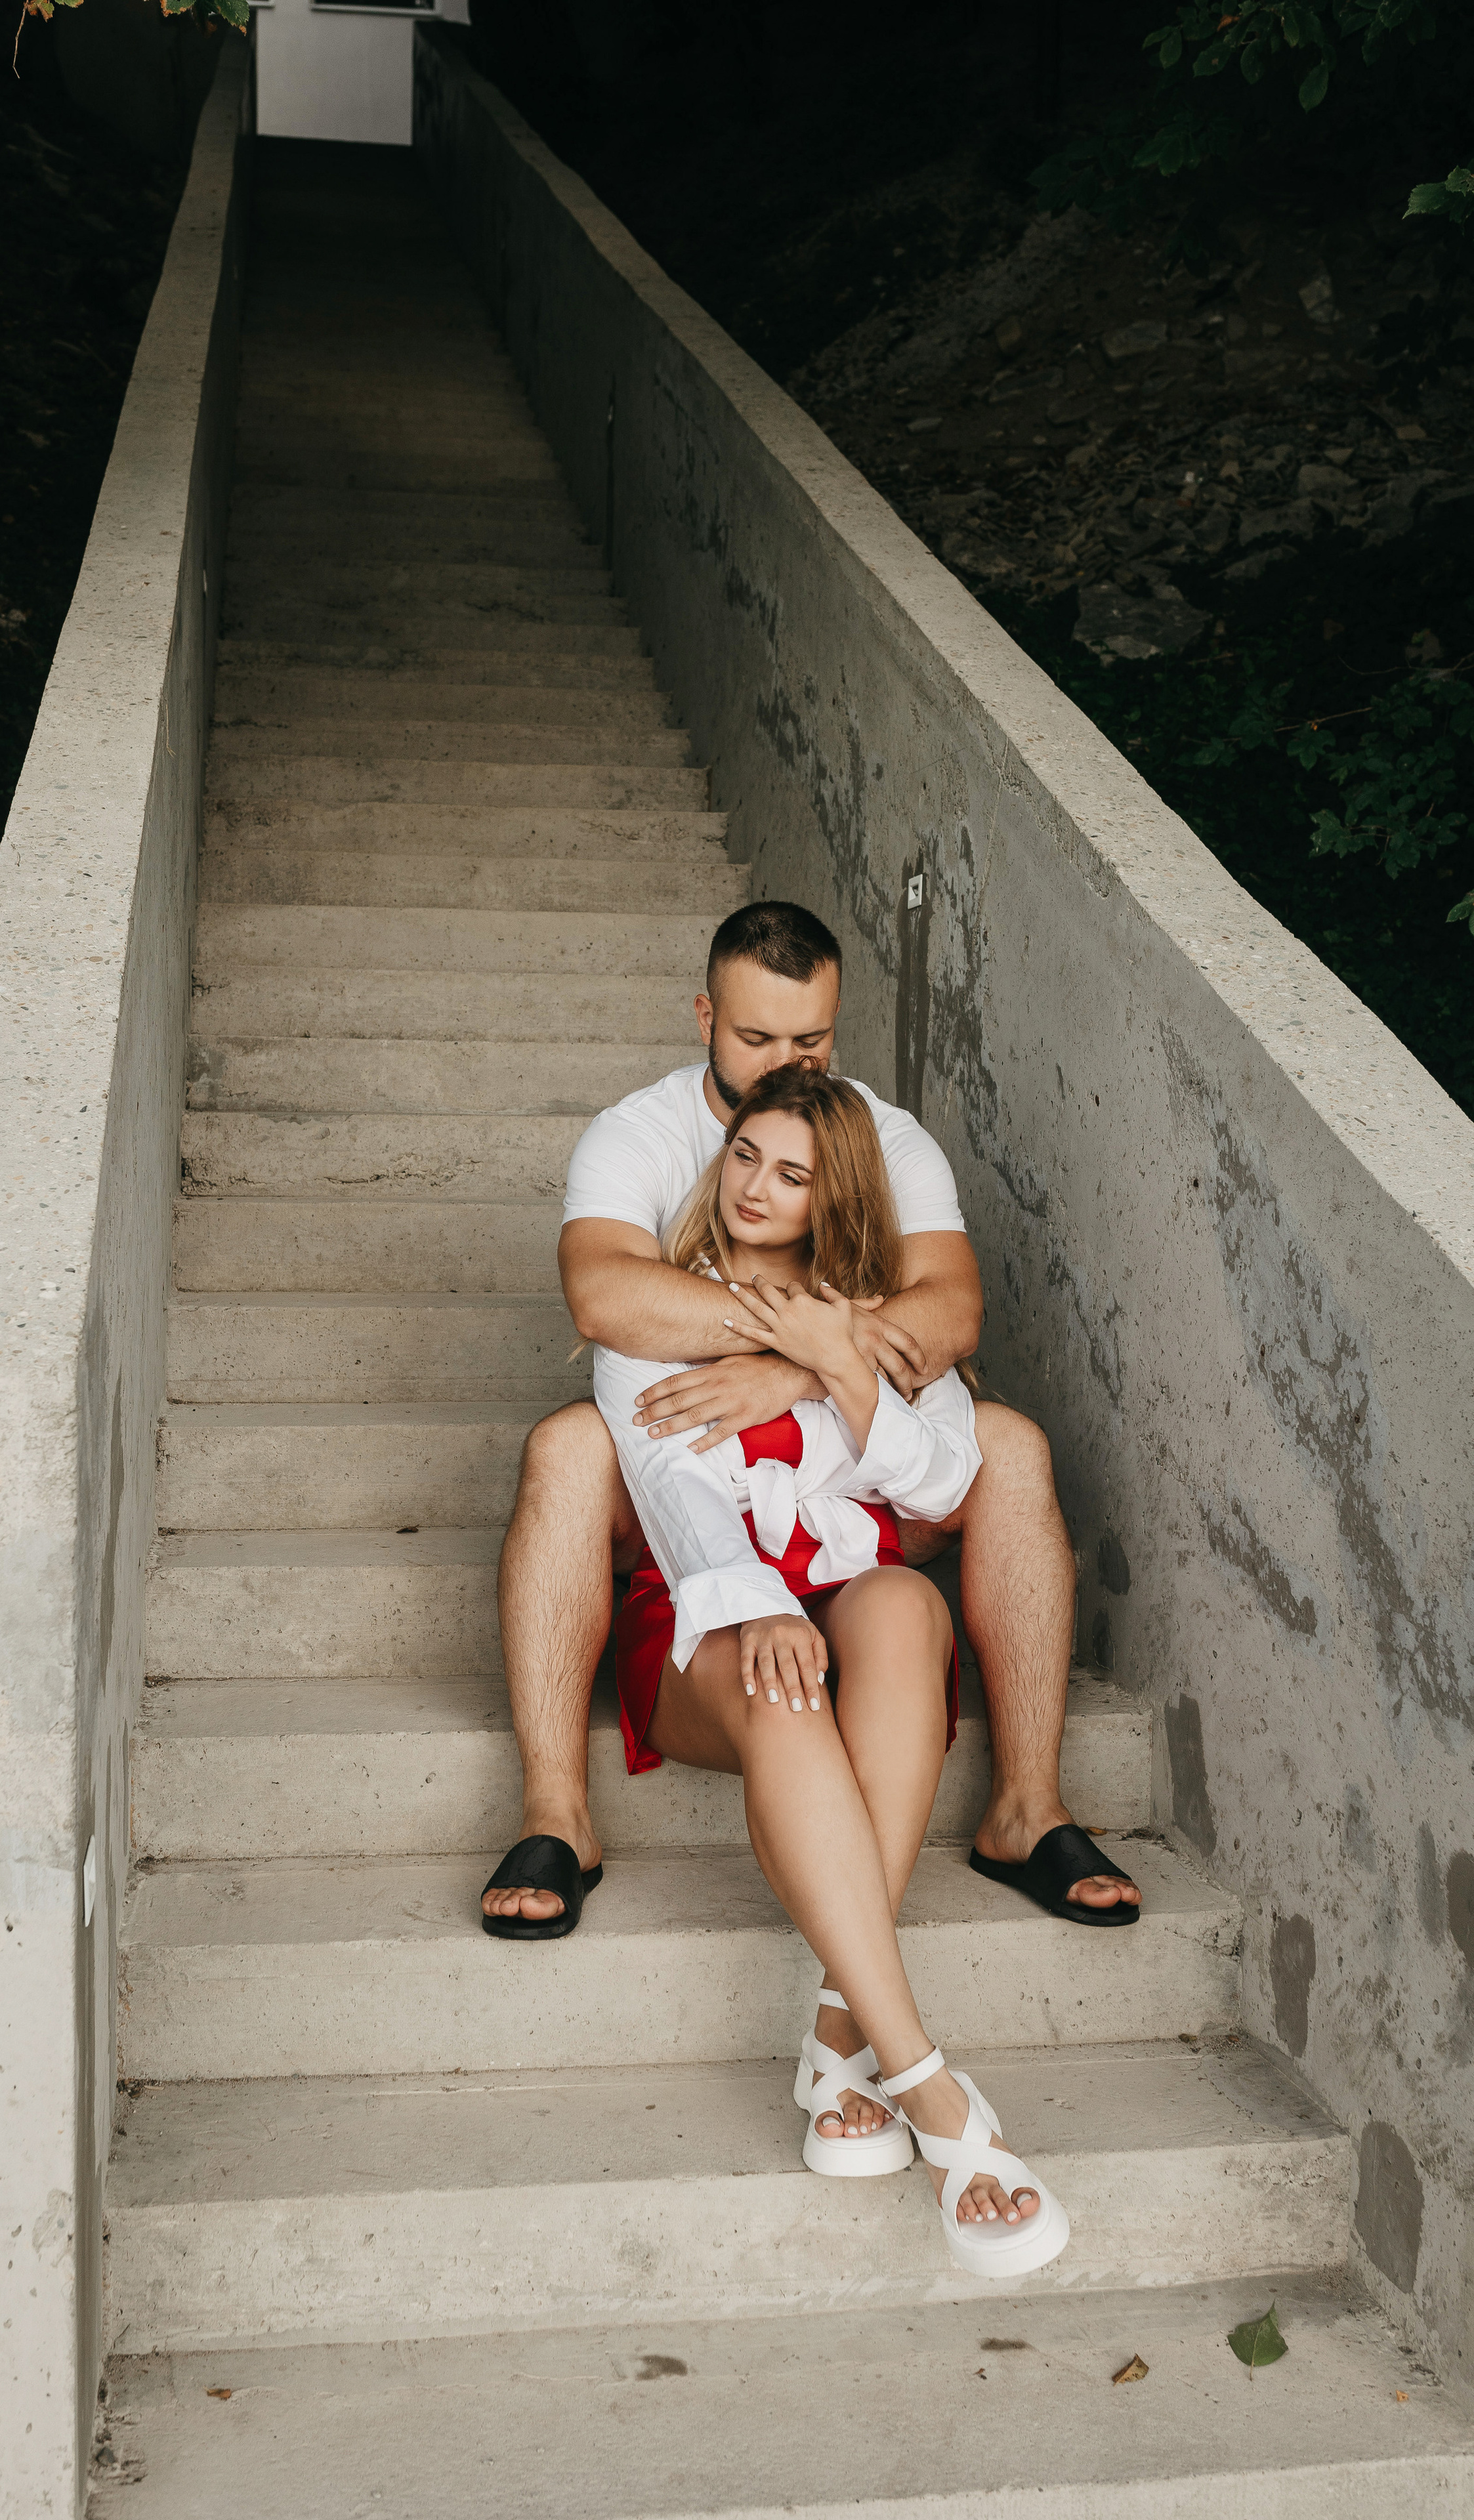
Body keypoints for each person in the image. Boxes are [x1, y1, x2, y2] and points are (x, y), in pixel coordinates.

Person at [479, 899, 1141, 1940]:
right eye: (755, 1038)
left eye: (812, 1037)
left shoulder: (885, 1135)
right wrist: (810, 1336)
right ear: (704, 1016)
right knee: (566, 1448)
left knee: (1010, 1446)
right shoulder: (640, 1134)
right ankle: (558, 1810)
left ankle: (1026, 1804)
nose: (788, 1059)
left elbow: (951, 1314)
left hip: (840, 1470)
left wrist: (801, 1370)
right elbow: (609, 1300)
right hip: (692, 1451)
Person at [588, 1062, 1069, 2273]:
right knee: (785, 1690)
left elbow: (950, 1484)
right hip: (700, 1614)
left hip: (844, 1601)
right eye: (744, 1155)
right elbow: (674, 1489)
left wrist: (841, 1365)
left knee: (906, 1603)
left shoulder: (869, 1321)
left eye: (791, 1174)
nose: (755, 1187)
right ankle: (925, 2082)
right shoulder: (669, 1312)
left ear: (834, 1195)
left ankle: (834, 2030)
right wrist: (755, 1608)